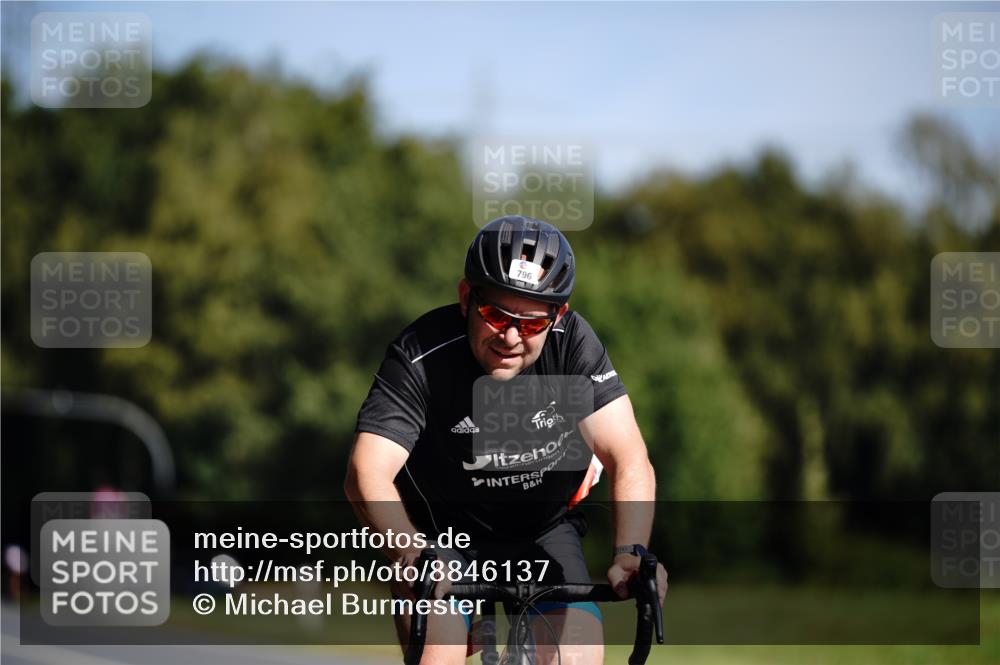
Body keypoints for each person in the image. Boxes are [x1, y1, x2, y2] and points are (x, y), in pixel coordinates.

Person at [345, 215, 666, 665]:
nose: (511, 337)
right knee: (437, 653)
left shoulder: (573, 344)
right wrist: (409, 548)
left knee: (576, 654)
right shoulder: (420, 352)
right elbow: (366, 472)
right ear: (466, 298)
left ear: (558, 316)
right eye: (496, 315)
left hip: (543, 532)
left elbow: (629, 457)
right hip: (441, 537)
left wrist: (630, 552)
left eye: (531, 324)